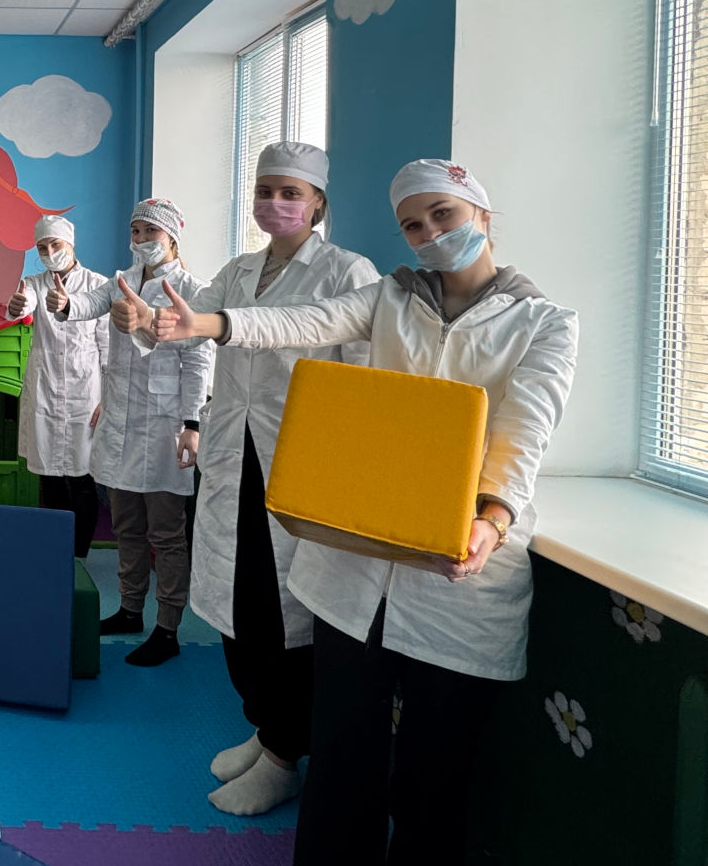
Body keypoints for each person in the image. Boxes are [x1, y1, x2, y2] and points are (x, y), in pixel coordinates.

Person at [119, 159, 578, 862]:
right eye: (413, 225)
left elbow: (526, 430)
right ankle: (285, 761)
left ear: (483, 215)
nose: (430, 234)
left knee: (433, 773)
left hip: (459, 561)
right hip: (357, 553)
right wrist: (204, 324)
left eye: (444, 215)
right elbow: (304, 321)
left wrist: (493, 518)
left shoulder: (545, 323)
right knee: (341, 758)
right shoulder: (391, 297)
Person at [181, 143, 380, 817]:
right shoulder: (238, 270)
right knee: (238, 608)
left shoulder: (347, 271)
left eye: (290, 192)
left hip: (300, 465)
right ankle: (267, 729)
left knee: (283, 617)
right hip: (234, 457)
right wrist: (145, 323)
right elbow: (188, 325)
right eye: (265, 189)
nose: (275, 202)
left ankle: (283, 755)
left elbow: (362, 378)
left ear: (318, 201)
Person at [55, 198, 214, 666]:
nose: (141, 239)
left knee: (166, 533)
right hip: (121, 421)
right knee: (126, 527)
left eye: (150, 231)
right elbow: (89, 303)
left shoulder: (192, 291)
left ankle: (168, 627)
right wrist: (66, 303)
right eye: (136, 231)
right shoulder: (121, 282)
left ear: (172, 237)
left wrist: (191, 424)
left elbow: (198, 361)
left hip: (166, 426)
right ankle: (129, 609)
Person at [7, 214, 110, 558]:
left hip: (86, 395)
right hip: (46, 389)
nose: (50, 253)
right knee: (49, 477)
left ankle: (79, 555)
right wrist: (17, 306)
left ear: (71, 244)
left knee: (83, 478)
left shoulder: (98, 285)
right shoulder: (33, 284)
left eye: (56, 244)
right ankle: (54, 552)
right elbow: (24, 304)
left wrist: (107, 398)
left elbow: (108, 346)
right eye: (42, 247)